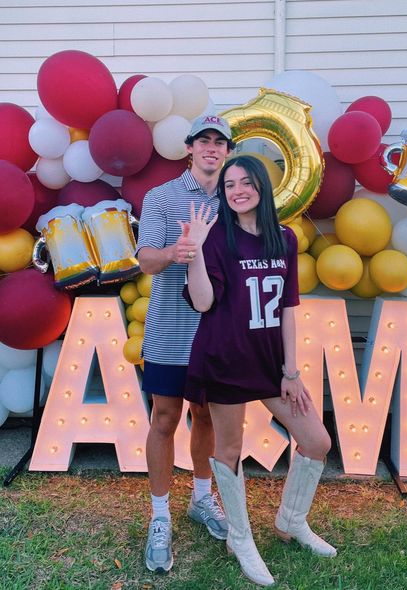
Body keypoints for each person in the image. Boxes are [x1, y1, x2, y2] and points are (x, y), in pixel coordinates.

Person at [181, 155, 337, 587]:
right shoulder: (218, 238)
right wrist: (194, 251)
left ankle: (291, 521)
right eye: (229, 185)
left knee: (316, 440)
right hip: (226, 358)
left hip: (270, 363)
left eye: (245, 183)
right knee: (229, 450)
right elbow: (203, 303)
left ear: (261, 188)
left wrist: (291, 370)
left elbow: (288, 307)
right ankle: (240, 537)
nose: (237, 191)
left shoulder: (283, 238)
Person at [136, 115, 236, 573]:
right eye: (204, 141)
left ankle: (201, 499)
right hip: (170, 332)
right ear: (189, 148)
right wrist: (177, 251)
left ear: (228, 152)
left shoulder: (240, 196)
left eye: (220, 142)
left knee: (207, 415)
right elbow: (145, 261)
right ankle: (159, 517)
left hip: (219, 332)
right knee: (165, 417)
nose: (212, 148)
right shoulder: (161, 197)